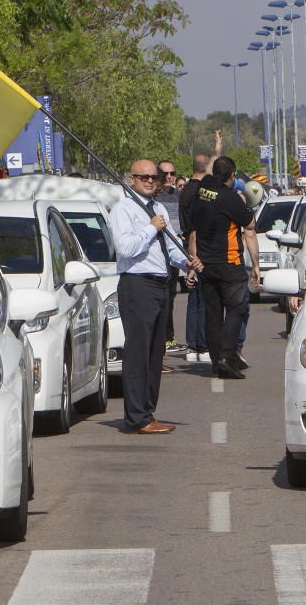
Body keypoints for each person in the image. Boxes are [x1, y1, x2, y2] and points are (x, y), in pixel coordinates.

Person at [109, 159, 203, 434]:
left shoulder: (158, 208)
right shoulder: (123, 210)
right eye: (144, 177)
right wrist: (151, 227)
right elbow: (126, 248)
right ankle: (136, 417)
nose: (150, 181)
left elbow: (171, 246)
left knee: (155, 351)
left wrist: (187, 261)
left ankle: (147, 411)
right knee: (138, 352)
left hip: (162, 284)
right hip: (137, 284)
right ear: (132, 178)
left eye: (154, 177)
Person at [190, 156, 259, 379]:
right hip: (229, 263)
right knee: (236, 309)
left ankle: (216, 360)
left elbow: (209, 170)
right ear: (232, 176)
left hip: (205, 264)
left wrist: (217, 149)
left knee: (213, 313)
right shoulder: (230, 198)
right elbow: (249, 227)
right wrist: (256, 265)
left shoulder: (203, 188)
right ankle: (227, 357)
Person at [180, 131, 223, 363]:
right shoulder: (200, 191)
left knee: (194, 298)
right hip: (198, 247)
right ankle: (202, 346)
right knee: (204, 298)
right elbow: (196, 230)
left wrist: (216, 147)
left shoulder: (186, 189)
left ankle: (193, 346)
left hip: (189, 243)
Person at [155, 160, 187, 356]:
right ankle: (162, 339)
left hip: (175, 252)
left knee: (170, 297)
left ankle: (168, 338)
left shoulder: (179, 196)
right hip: (157, 256)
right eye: (164, 173)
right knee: (160, 298)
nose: (169, 176)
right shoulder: (153, 198)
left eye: (172, 173)